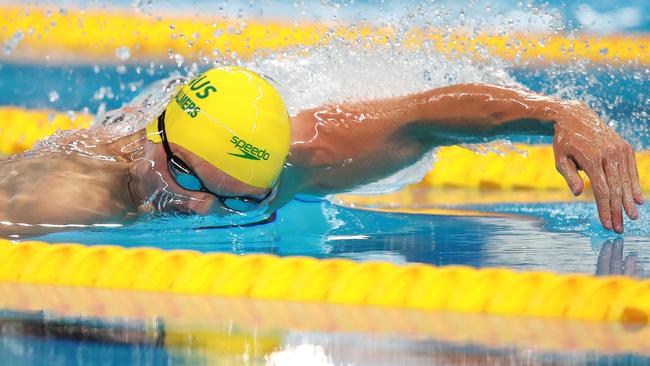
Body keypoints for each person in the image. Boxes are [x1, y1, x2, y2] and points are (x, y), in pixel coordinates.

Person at [0, 66, 642, 237]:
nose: (200, 210)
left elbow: (424, 119)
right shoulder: (67, 195)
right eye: (183, 176)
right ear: (153, 136)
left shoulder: (297, 157)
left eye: (234, 199)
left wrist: (560, 112)